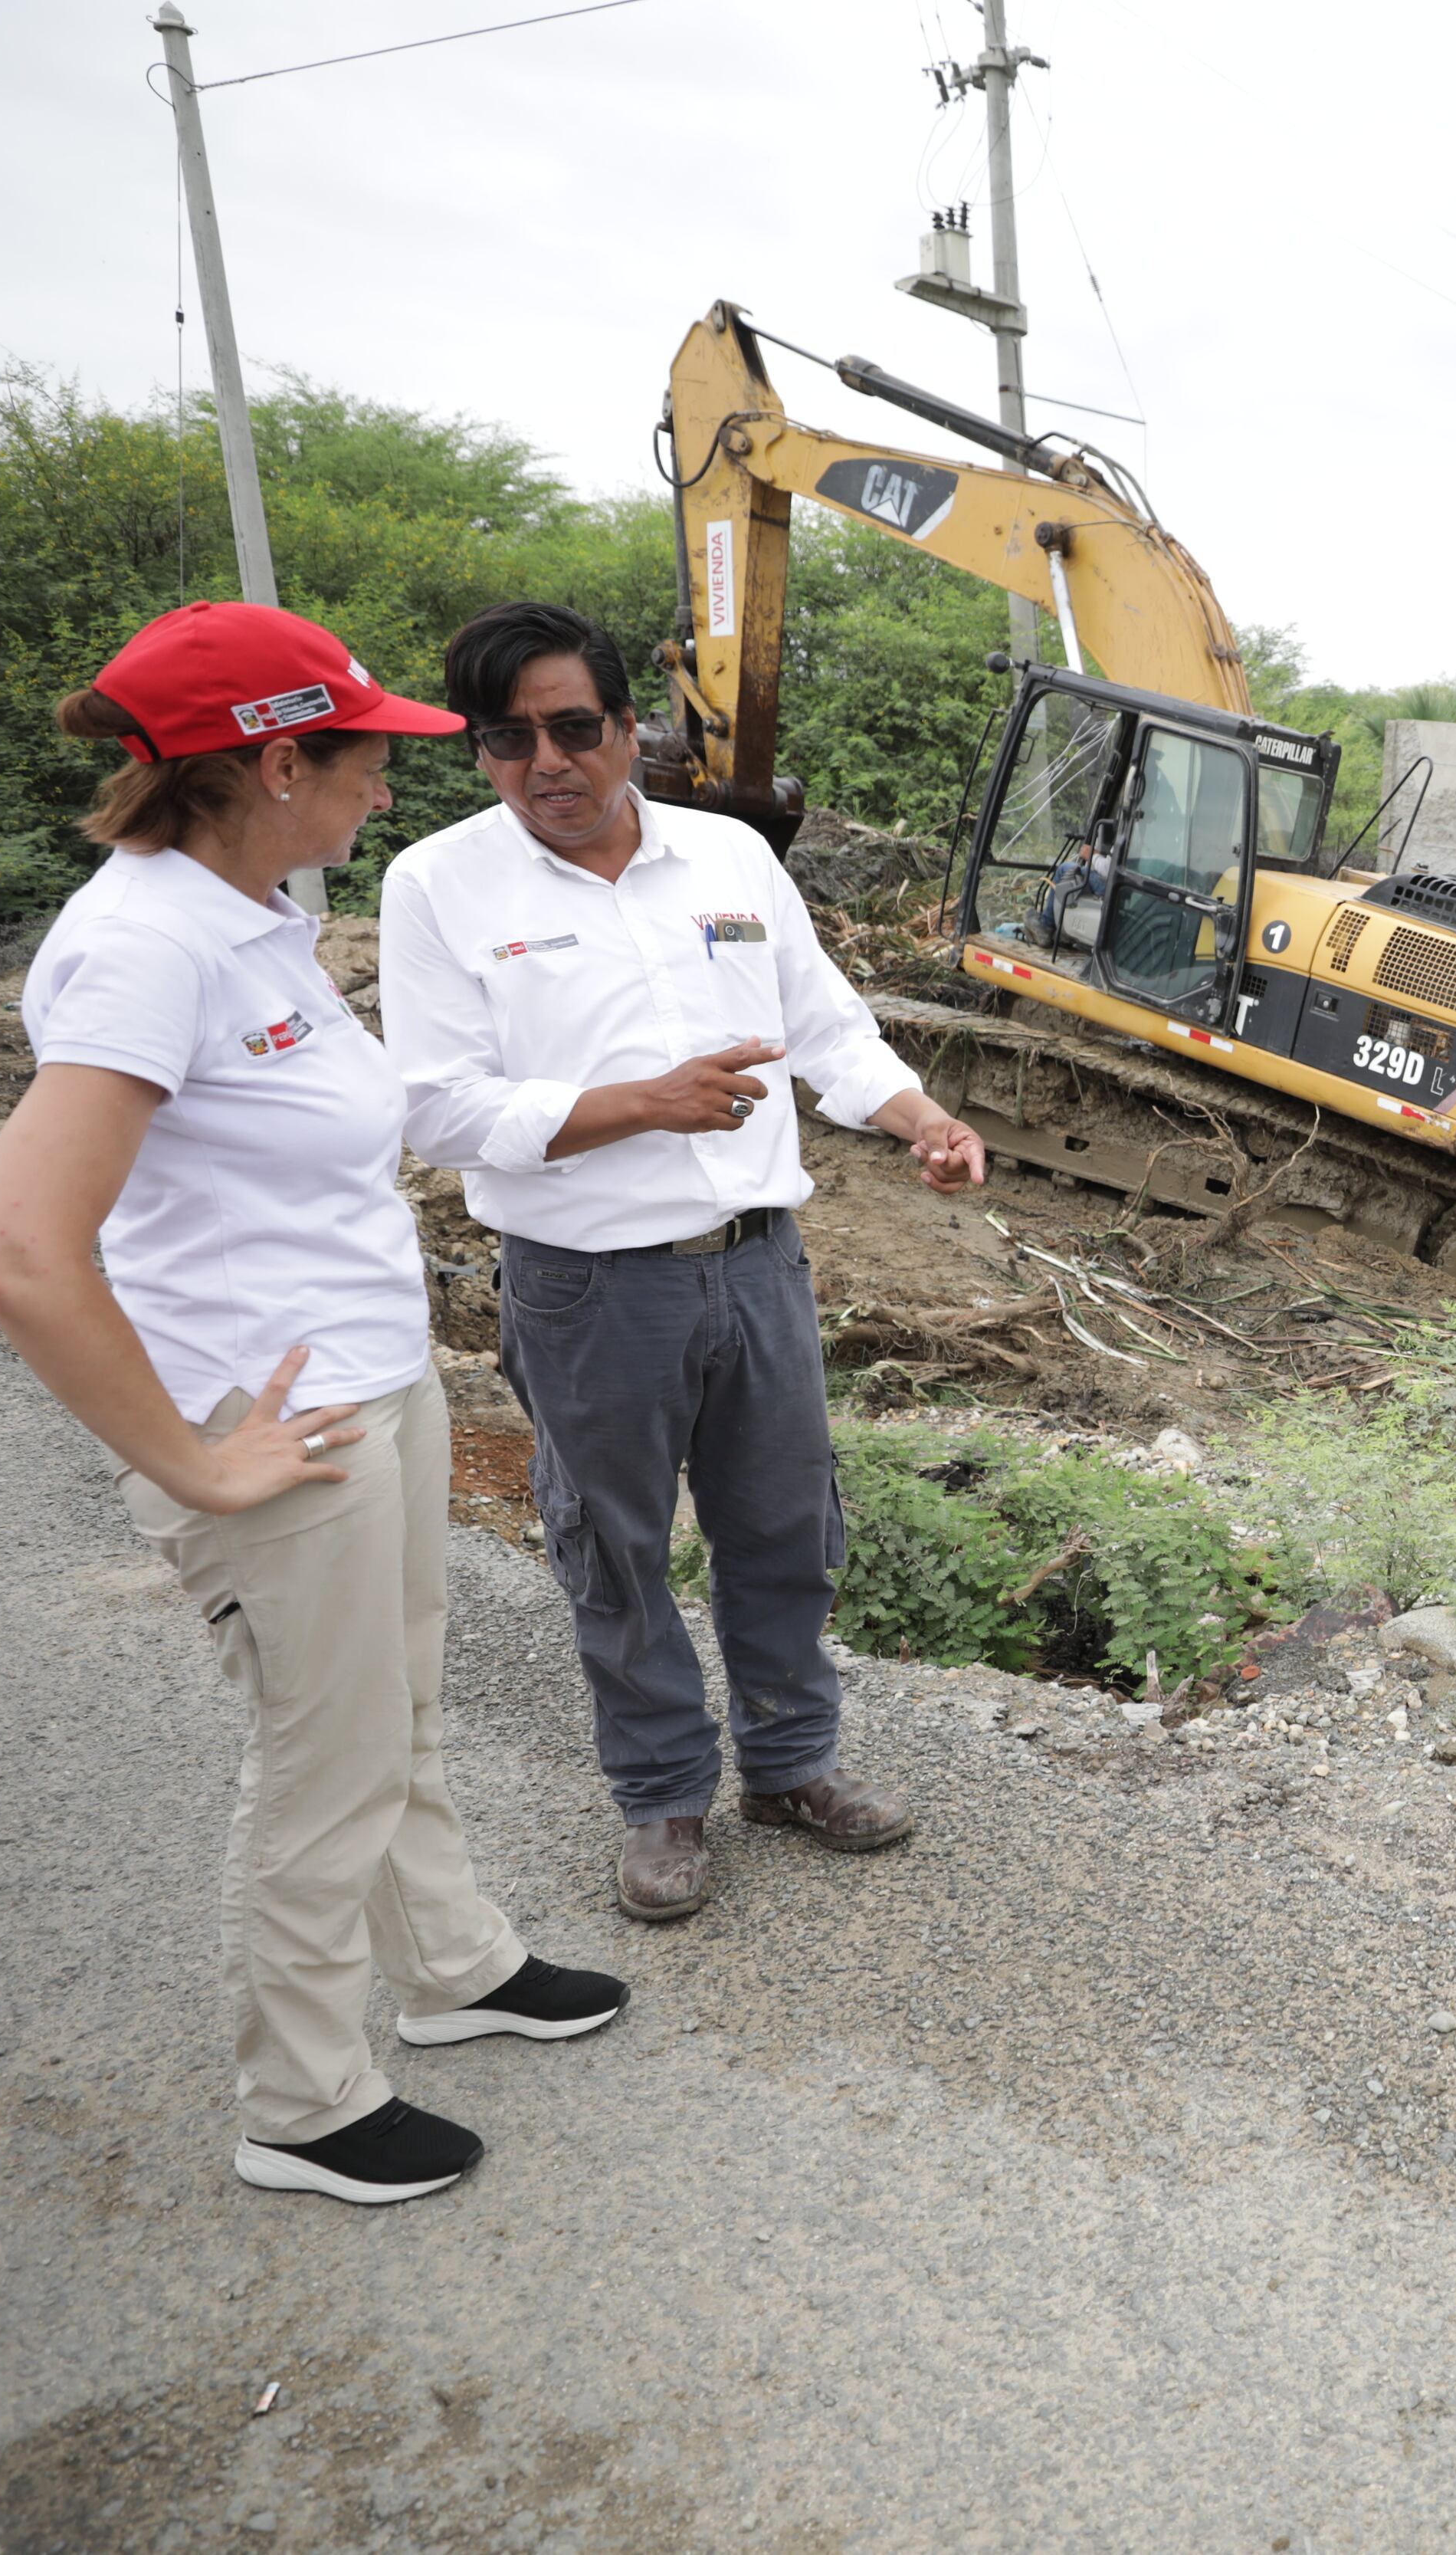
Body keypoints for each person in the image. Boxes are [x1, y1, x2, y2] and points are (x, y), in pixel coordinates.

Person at [0, 600, 627, 2210]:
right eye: (361, 757)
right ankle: (304, 2097)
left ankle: (453, 1962)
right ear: (271, 763)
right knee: (322, 1759)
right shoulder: (143, 947)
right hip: (276, 1426)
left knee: (396, 1704)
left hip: (361, 1386)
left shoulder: (247, 915)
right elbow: (17, 1249)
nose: (385, 788)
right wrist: (189, 1457)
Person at [380, 601, 986, 1924]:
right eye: (507, 739)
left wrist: (920, 1117)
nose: (547, 762)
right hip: (590, 1283)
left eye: (574, 727)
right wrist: (640, 1105)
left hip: (760, 1262)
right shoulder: (438, 886)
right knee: (618, 1546)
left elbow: (824, 1019)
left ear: (629, 723)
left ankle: (790, 1763)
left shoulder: (726, 857)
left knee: (783, 1529)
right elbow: (433, 1107)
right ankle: (660, 1793)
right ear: (482, 753)